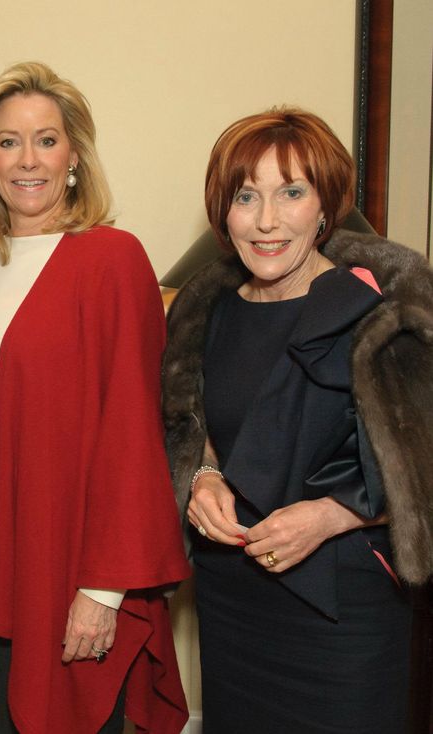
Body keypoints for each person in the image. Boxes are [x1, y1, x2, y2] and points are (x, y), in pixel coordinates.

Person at [0, 61, 190, 734]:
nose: (28, 160)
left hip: (70, 559)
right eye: (8, 141)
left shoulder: (112, 260)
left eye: (46, 139)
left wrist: (103, 591)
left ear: (74, 155)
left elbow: (134, 434)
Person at [162, 107, 433, 733]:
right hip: (233, 600)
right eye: (245, 196)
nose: (265, 221)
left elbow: (423, 471)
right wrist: (203, 477)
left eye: (291, 192)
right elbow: (194, 423)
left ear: (325, 204)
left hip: (345, 611)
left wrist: (330, 516)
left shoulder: (385, 313)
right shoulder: (207, 314)